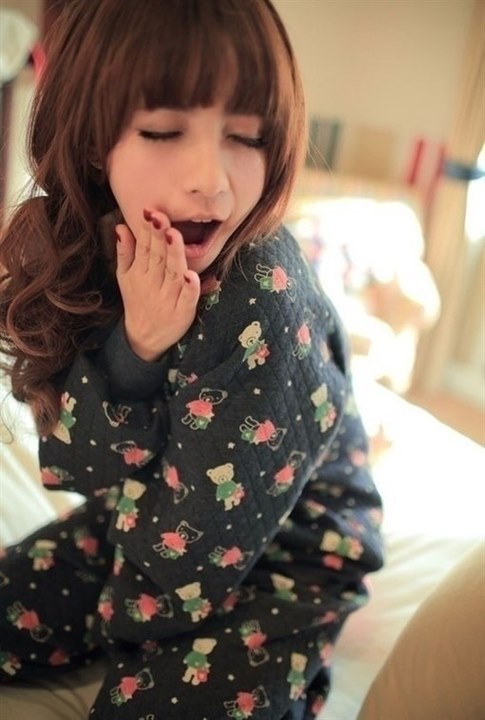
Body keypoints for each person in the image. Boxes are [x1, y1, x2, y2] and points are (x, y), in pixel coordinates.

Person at [0, 1, 383, 718]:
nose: (210, 179)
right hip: (144, 514)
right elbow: (78, 464)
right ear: (94, 143)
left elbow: (202, 553)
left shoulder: (263, 296)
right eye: (162, 131)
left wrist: (124, 637)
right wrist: (139, 346)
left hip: (281, 553)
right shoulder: (91, 240)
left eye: (247, 137)